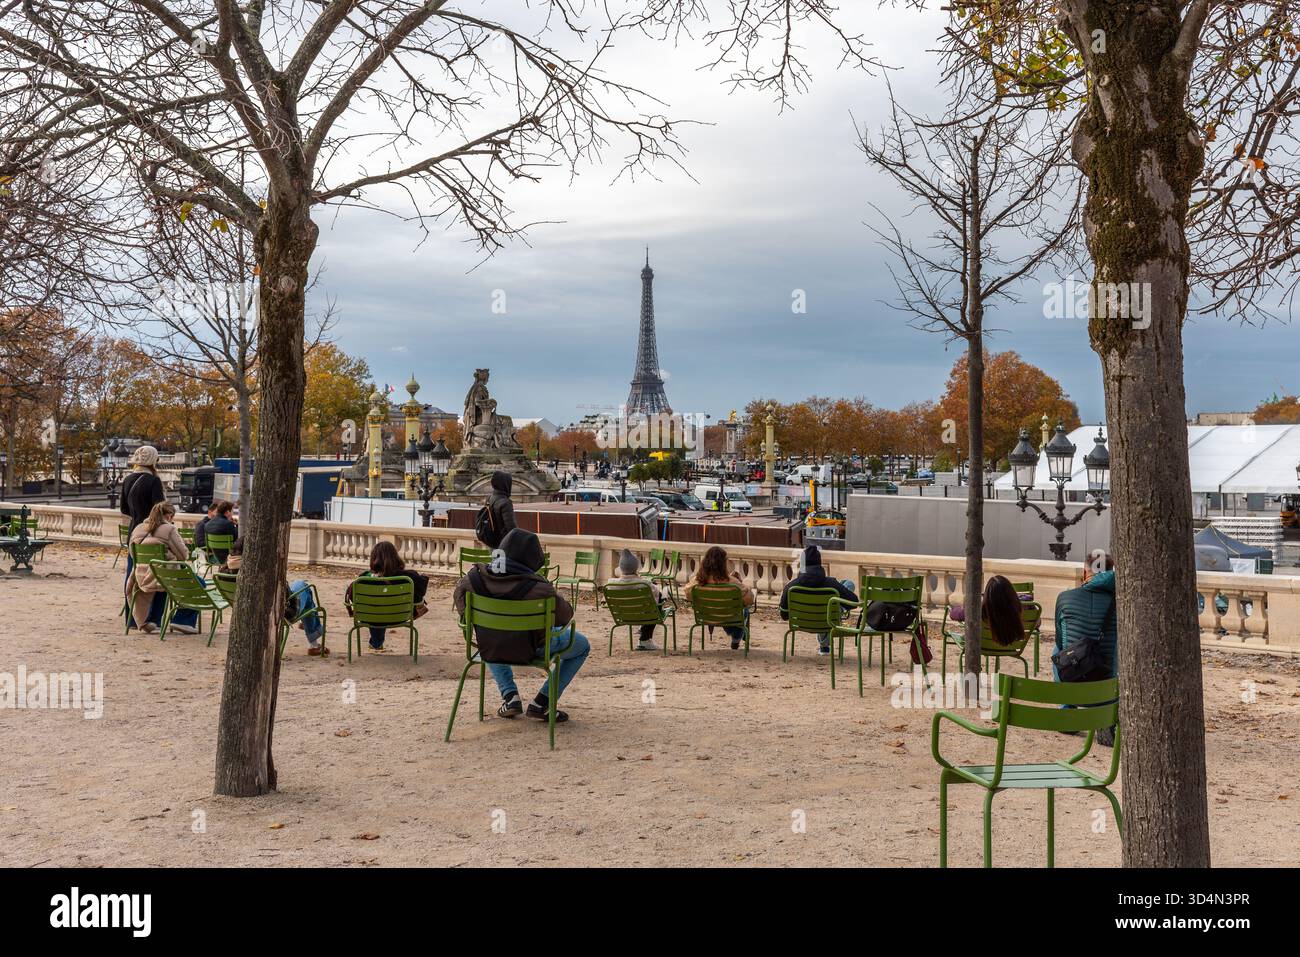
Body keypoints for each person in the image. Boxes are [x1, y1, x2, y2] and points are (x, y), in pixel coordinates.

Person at [454, 528, 590, 721]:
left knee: (493, 635)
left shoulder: (471, 580)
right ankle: (542, 702)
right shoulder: (540, 589)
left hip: (491, 647)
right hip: (533, 648)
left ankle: (510, 697)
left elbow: (463, 612)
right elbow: (565, 617)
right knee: (582, 645)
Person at [1054, 552, 1118, 747]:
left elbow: (1059, 638)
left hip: (1073, 674)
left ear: (1085, 573)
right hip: (1107, 677)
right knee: (1115, 650)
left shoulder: (1065, 598)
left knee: (1058, 648)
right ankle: (1106, 716)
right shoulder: (1122, 602)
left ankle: (1068, 713)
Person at [220, 540, 328, 656]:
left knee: (301, 588)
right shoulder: (259, 572)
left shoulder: (224, 571)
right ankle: (313, 642)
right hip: (279, 612)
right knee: (304, 587)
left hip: (247, 611)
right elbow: (284, 595)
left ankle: (309, 628)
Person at [127, 502, 200, 634]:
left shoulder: (138, 528)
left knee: (161, 585)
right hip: (164, 575)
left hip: (142, 575)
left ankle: (154, 620)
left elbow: (133, 554)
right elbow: (183, 555)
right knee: (199, 583)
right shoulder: (169, 529)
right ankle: (182, 620)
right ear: (169, 516)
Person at [348, 541, 429, 652]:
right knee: (383, 606)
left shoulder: (363, 579)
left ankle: (376, 643)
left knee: (376, 608)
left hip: (370, 616)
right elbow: (421, 590)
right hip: (400, 615)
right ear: (395, 557)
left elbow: (352, 598)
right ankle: (376, 643)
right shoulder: (409, 577)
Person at [779, 544, 857, 655]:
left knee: (825, 608)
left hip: (802, 621)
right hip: (827, 619)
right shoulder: (831, 584)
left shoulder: (791, 586)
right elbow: (853, 602)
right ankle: (835, 612)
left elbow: (784, 615)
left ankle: (824, 645)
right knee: (845, 588)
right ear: (819, 563)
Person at [684, 545, 755, 650]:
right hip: (729, 617)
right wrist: (740, 582)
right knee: (744, 611)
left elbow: (688, 595)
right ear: (723, 563)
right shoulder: (732, 582)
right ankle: (736, 638)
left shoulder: (697, 581)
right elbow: (749, 600)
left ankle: (736, 634)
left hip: (706, 616)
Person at [605, 548, 671, 651]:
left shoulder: (610, 585)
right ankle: (645, 637)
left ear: (621, 568)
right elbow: (658, 595)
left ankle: (643, 633)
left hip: (623, 617)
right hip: (645, 617)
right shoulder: (644, 584)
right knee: (660, 596)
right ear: (636, 567)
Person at [119, 446, 166, 533]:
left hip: (133, 531)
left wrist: (137, 516)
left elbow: (124, 509)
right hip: (149, 530)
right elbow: (159, 508)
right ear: (152, 461)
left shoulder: (127, 479)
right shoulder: (154, 480)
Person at [980, 575, 1027, 646]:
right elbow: (1038, 623)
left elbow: (957, 614)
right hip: (1013, 647)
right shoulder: (1023, 608)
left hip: (984, 647)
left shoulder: (979, 610)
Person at [483, 470, 517, 542]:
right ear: (505, 484)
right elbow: (511, 528)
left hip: (491, 540)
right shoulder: (506, 503)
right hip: (503, 543)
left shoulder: (489, 498)